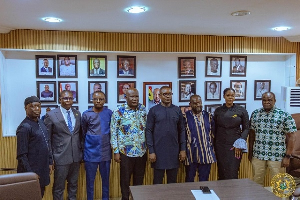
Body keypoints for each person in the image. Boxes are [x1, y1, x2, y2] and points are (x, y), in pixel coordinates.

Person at [248, 92, 297, 186]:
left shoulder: (284, 115)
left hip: (277, 156)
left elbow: (292, 137)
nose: (266, 102)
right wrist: (251, 152)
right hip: (258, 154)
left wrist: (287, 157)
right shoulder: (255, 114)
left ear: (274, 101)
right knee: (256, 182)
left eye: (269, 100)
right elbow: (252, 134)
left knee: (279, 183)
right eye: (264, 100)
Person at [44, 90, 82, 200]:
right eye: (65, 98)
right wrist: (50, 159)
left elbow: (80, 135)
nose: (68, 101)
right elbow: (48, 139)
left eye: (70, 98)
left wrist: (81, 154)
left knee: (73, 185)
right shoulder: (51, 115)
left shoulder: (77, 113)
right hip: (60, 157)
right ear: (60, 99)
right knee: (59, 187)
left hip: (75, 157)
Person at [111, 88, 147, 200]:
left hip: (141, 152)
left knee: (139, 179)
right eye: (132, 96)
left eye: (136, 96)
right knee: (125, 180)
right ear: (125, 97)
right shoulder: (119, 111)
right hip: (125, 152)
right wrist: (116, 151)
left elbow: (146, 129)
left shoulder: (143, 109)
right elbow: (113, 132)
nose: (135, 99)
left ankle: (136, 198)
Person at [146, 86, 186, 184]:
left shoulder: (177, 110)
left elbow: (182, 130)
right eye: (165, 94)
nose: (168, 96)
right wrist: (151, 151)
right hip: (158, 152)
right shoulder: (153, 110)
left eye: (169, 94)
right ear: (159, 95)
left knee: (172, 182)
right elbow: (148, 131)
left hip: (174, 151)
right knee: (157, 182)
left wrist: (183, 149)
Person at [16, 96, 53, 197]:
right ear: (26, 108)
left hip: (42, 169)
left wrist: (50, 162)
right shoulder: (24, 127)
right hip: (30, 173)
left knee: (40, 195)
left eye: (39, 106)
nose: (37, 109)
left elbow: (47, 142)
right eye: (33, 106)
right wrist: (30, 174)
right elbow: (21, 155)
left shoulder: (41, 123)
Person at [82, 91, 112, 200]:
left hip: (105, 153)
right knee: (90, 182)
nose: (98, 101)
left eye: (101, 99)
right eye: (95, 99)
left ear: (104, 100)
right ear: (92, 100)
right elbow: (83, 132)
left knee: (106, 181)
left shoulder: (109, 113)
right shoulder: (86, 114)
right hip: (90, 153)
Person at [213, 88, 249, 180]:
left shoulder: (241, 110)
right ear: (224, 96)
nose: (230, 98)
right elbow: (214, 129)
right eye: (228, 95)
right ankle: (222, 193)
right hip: (220, 145)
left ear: (235, 97)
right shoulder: (218, 111)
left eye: (232, 96)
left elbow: (246, 128)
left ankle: (232, 193)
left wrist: (240, 143)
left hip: (235, 146)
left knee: (232, 171)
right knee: (222, 170)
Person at [184, 95, 216, 182]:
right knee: (189, 180)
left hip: (206, 153)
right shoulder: (185, 117)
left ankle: (203, 196)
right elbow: (182, 136)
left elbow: (213, 133)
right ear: (190, 104)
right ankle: (189, 196)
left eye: (199, 103)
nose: (198, 105)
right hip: (191, 154)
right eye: (195, 103)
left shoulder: (208, 116)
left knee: (204, 180)